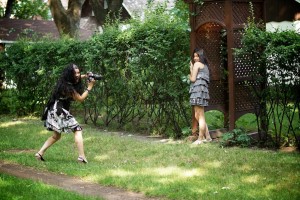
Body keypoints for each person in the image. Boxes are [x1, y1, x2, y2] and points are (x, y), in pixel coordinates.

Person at [35, 63, 96, 163]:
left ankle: (39, 153)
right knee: (77, 129)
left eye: (78, 72)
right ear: (69, 74)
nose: (77, 75)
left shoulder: (64, 81)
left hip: (53, 109)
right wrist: (90, 87)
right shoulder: (68, 87)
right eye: (74, 73)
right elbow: (80, 99)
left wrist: (85, 75)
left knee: (56, 136)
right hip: (59, 110)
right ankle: (82, 157)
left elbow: (77, 77)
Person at [189, 48, 212, 144]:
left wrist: (190, 69)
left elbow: (193, 79)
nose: (195, 58)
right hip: (202, 91)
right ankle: (208, 137)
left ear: (201, 57)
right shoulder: (205, 66)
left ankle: (200, 139)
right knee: (197, 115)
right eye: (194, 56)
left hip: (198, 91)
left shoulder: (197, 65)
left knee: (200, 116)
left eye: (197, 56)